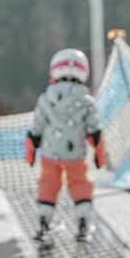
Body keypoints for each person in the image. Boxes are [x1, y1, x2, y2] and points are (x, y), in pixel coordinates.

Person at [25, 48, 106, 241]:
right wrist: (99, 154)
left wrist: (31, 149)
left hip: (50, 153)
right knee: (79, 182)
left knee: (49, 182)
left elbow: (36, 129)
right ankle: (83, 221)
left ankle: (44, 219)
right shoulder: (87, 102)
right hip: (75, 154)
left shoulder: (45, 98)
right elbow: (95, 131)